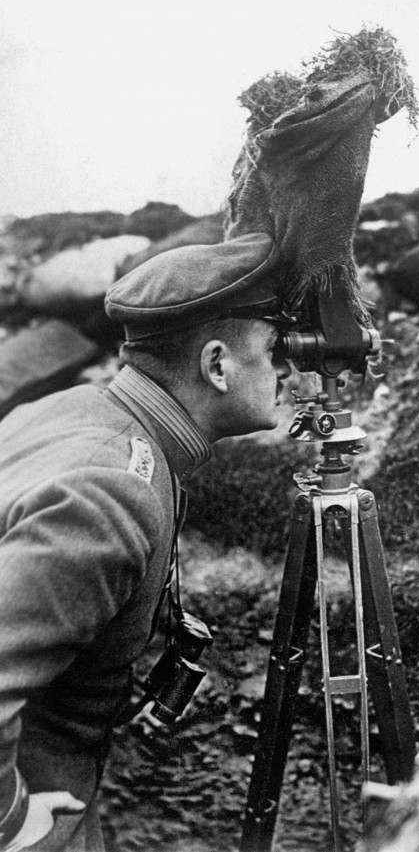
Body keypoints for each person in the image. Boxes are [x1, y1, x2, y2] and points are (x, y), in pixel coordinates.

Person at [0, 231, 291, 851]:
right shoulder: (111, 495)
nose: (290, 367)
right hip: (35, 799)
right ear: (216, 365)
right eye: (275, 348)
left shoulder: (77, 410)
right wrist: (15, 820)